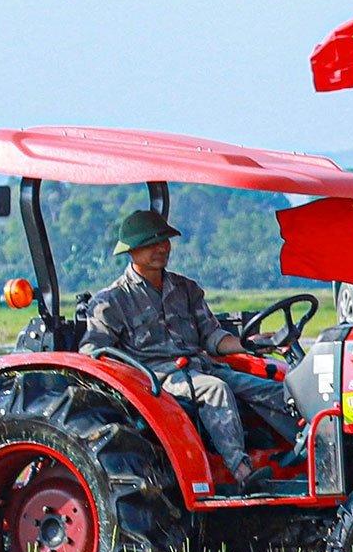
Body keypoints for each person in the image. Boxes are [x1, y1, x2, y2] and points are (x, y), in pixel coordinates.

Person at [81, 210, 303, 493]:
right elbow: (94, 353)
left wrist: (251, 344)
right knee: (216, 390)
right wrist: (136, 375)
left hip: (200, 367)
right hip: (156, 377)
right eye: (152, 243)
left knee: (270, 387)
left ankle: (307, 448)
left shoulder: (186, 289)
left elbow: (212, 337)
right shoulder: (111, 301)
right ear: (132, 251)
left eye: (165, 240)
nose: (162, 248)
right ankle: (242, 472)